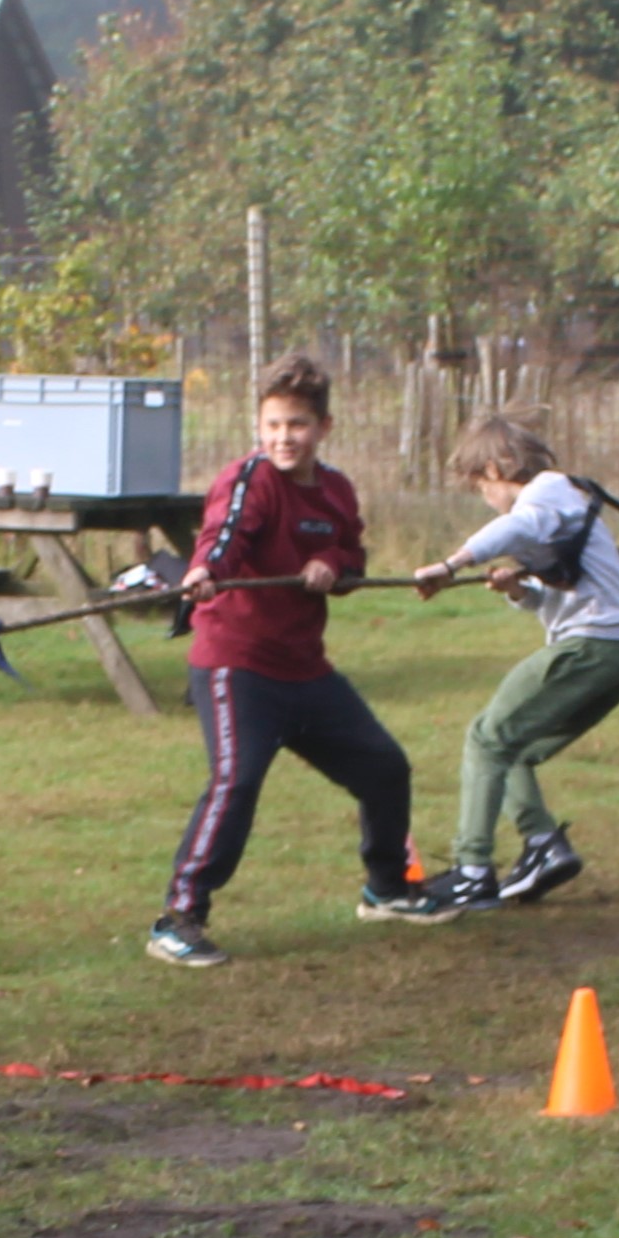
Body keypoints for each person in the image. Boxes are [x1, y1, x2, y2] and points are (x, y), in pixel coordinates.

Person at [147, 353, 458, 969]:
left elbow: (353, 559)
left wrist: (334, 568)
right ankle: (179, 918)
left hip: (305, 670)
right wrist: (208, 571)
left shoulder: (336, 490)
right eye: (272, 425)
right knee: (236, 781)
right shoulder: (250, 479)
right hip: (235, 666)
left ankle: (388, 889)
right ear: (258, 428)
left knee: (385, 767)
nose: (284, 438)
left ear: (324, 427)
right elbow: (226, 534)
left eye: (297, 425)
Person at [409, 411, 619, 911]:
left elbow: (517, 525)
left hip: (590, 646)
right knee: (512, 746)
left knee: (485, 736)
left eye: (480, 486)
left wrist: (452, 564)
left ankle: (472, 869)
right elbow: (558, 594)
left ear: (497, 468)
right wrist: (520, 590)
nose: (485, 498)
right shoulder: (568, 504)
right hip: (618, 653)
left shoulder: (548, 492)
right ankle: (543, 845)